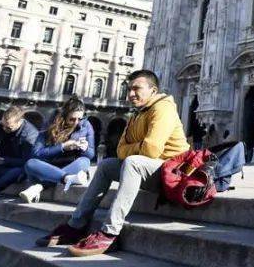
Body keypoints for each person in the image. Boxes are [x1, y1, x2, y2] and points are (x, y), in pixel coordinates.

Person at [35, 69, 189, 256]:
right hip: (153, 169)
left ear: (153, 90)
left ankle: (109, 232)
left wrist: (135, 148)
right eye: (129, 89)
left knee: (133, 162)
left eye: (136, 89)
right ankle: (75, 226)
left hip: (174, 173)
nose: (131, 94)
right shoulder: (136, 115)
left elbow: (151, 150)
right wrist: (138, 147)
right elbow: (120, 149)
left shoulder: (163, 108)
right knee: (107, 165)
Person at [19, 97, 95, 203]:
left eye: (80, 119)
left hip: (71, 165)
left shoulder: (86, 126)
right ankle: (67, 178)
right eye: (72, 119)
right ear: (64, 116)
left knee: (85, 161)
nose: (76, 123)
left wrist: (85, 148)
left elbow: (91, 154)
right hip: (49, 166)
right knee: (30, 163)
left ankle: (39, 187)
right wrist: (63, 146)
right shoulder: (49, 124)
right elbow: (36, 153)